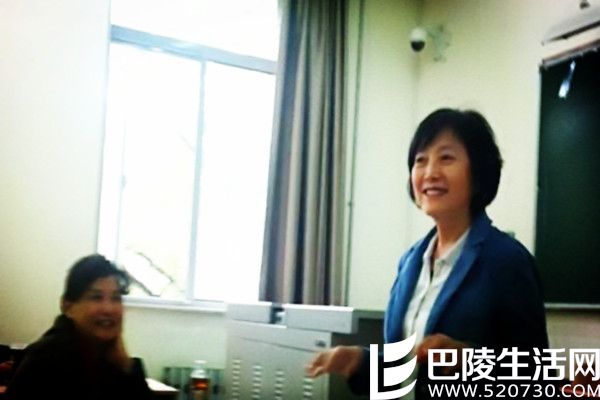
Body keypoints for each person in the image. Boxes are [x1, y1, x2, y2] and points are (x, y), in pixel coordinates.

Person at [306, 108, 549, 398]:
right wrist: (359, 361)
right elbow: (405, 372)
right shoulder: (410, 262)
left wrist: (470, 360)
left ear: (478, 172)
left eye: (446, 158)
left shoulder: (507, 261)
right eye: (420, 161)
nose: (430, 173)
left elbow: (535, 376)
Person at [6, 254, 154, 400]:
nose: (109, 309)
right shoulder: (45, 360)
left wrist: (126, 366)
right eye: (96, 297)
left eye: (116, 298)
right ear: (68, 307)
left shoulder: (119, 362)